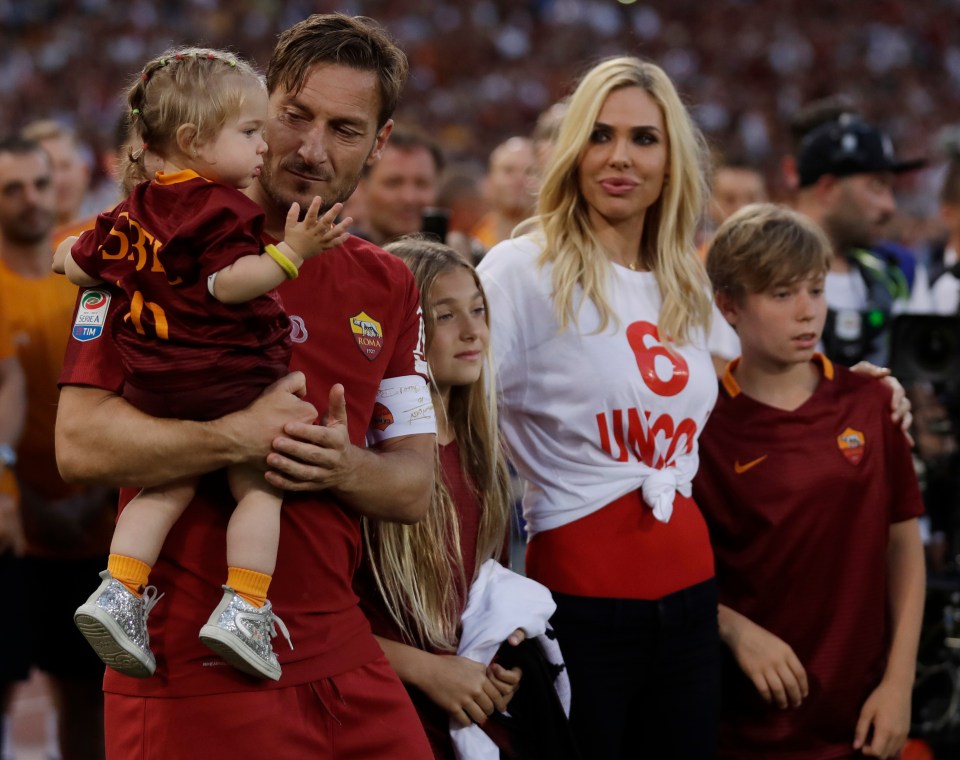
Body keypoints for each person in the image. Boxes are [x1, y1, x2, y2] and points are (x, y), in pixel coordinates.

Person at [54, 13, 438, 759]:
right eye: (295, 117)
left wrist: (341, 463)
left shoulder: (387, 282)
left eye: (346, 128)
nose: (312, 147)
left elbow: (412, 489)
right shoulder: (147, 243)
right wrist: (236, 435)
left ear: (380, 142)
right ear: (259, 109)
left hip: (340, 650)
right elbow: (79, 446)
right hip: (186, 667)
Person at [53, 47, 350, 682]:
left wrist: (64, 259)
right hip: (225, 375)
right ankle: (243, 605)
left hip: (154, 381)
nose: (264, 145)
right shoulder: (220, 206)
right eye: (249, 132)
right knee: (259, 486)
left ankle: (119, 590)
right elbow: (227, 285)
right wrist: (292, 252)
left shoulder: (130, 210)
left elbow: (77, 262)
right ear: (191, 139)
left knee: (165, 484)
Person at [478, 56, 721, 759]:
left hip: (694, 603)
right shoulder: (523, 270)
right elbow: (457, 430)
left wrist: (866, 382)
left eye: (644, 138)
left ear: (672, 159)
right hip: (579, 608)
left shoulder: (686, 281)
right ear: (572, 150)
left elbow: (759, 386)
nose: (621, 157)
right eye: (600, 135)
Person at [696, 203, 925, 759]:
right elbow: (678, 570)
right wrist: (732, 627)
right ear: (729, 305)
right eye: (781, 294)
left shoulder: (872, 403)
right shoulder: (699, 420)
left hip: (861, 719)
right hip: (743, 721)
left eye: (816, 290)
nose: (807, 313)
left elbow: (904, 550)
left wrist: (899, 686)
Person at [353, 238, 524, 758]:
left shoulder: (484, 452)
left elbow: (483, 588)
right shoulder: (364, 455)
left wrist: (498, 653)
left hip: (466, 708)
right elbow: (318, 619)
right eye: (445, 316)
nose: (473, 331)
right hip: (382, 710)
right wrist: (429, 671)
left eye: (478, 310)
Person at [0, 136, 115, 760]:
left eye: (39, 184)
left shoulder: (85, 273)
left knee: (89, 697)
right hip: (17, 530)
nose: (30, 200)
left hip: (95, 524)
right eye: (12, 189)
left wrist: (94, 493)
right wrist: (36, 507)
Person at [793, 114, 925, 366]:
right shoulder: (755, 274)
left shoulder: (895, 274)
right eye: (877, 186)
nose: (890, 206)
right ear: (828, 189)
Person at [353, 126, 444, 246]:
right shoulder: (334, 257)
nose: (409, 198)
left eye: (421, 184)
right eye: (394, 183)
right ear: (362, 187)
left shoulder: (466, 258)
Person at [21, 120, 93, 227]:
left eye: (65, 166)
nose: (59, 179)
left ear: (84, 171)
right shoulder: (11, 243)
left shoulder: (110, 235)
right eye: (48, 169)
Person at [470, 137, 537, 252]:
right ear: (488, 183)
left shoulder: (556, 244)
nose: (519, 179)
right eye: (508, 170)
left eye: (529, 171)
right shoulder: (473, 243)